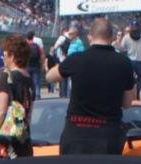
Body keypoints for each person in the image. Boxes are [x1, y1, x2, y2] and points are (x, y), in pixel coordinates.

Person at [46, 19, 135, 156]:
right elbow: (127, 103)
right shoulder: (124, 63)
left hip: (75, 134)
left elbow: (49, 77)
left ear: (89, 37)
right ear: (112, 38)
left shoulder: (76, 59)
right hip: (107, 136)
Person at [0, 34, 35, 161]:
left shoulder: (7, 77)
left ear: (12, 56)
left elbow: (0, 111)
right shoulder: (29, 79)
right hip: (23, 139)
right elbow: (29, 113)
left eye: (4, 53)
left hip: (5, 144)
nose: (2, 57)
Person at [118, 21, 141, 95]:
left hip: (130, 61)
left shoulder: (126, 37)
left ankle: (126, 98)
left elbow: (122, 49)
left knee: (127, 81)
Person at [25, 30, 43, 99]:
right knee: (36, 81)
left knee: (27, 81)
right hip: (36, 65)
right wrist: (41, 64)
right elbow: (41, 55)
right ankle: (37, 94)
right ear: (33, 37)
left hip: (27, 66)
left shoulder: (25, 46)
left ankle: (28, 95)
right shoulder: (36, 46)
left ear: (27, 38)